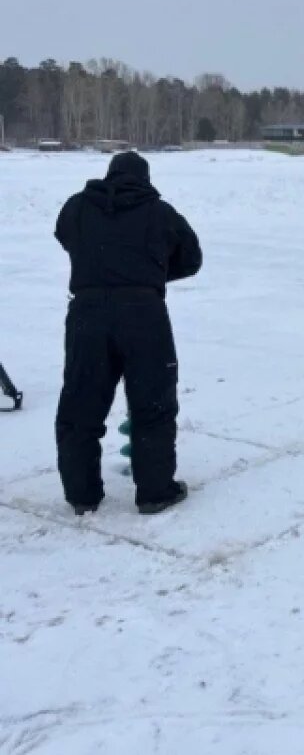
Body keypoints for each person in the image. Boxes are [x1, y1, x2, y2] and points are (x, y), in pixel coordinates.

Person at [54, 151, 202, 515]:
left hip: (87, 314)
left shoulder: (77, 207)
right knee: (153, 404)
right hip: (144, 314)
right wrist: (148, 273)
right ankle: (155, 493)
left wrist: (99, 264)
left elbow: (64, 235)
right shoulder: (160, 212)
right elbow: (191, 257)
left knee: (80, 405)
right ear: (145, 179)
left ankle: (82, 495)